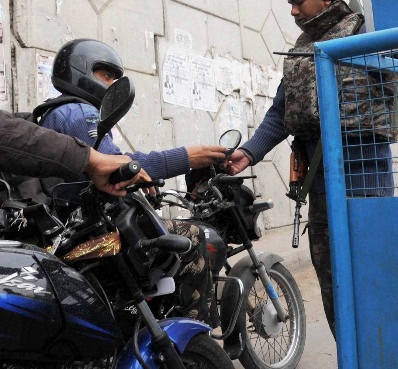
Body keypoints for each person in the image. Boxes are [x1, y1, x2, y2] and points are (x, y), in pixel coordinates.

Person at [226, 0, 398, 339]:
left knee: (371, 277)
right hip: (319, 182)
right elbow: (280, 111)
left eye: (298, 0)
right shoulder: (304, 48)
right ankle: (351, 357)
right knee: (331, 279)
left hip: (363, 179)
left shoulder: (365, 29)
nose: (292, 10)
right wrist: (250, 152)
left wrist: (384, 42)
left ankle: (384, 354)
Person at [39, 38, 228, 320]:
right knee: (194, 236)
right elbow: (113, 167)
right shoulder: (80, 113)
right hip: (87, 231)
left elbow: (112, 159)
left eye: (116, 78)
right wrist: (187, 158)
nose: (112, 84)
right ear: (81, 71)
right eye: (106, 75)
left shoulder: (58, 111)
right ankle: (192, 339)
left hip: (70, 226)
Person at [0, 109, 150, 196]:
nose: (111, 84)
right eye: (106, 76)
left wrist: (91, 160)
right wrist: (92, 160)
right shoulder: (76, 113)